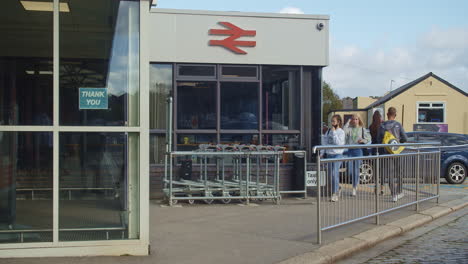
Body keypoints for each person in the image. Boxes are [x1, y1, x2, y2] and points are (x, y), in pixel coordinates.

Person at [377, 107, 408, 202]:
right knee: (399, 171)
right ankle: (399, 192)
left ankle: (393, 194)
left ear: (387, 114)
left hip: (387, 151)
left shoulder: (382, 126)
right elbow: (405, 138)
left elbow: (378, 139)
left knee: (389, 173)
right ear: (395, 115)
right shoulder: (398, 125)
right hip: (397, 151)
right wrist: (399, 142)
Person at [344, 115, 371, 196]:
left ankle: (354, 187)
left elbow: (369, 138)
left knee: (356, 170)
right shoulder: (349, 129)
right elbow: (344, 131)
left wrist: (362, 140)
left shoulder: (362, 129)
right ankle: (355, 182)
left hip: (358, 151)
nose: (355, 120)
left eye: (356, 119)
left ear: (359, 120)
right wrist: (347, 122)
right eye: (353, 119)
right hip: (350, 150)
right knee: (350, 170)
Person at [324, 115, 345, 202]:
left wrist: (334, 133)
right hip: (329, 154)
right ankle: (338, 187)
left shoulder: (341, 132)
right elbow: (325, 142)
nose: (332, 123)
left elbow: (338, 143)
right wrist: (322, 152)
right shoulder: (328, 131)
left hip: (337, 155)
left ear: (338, 122)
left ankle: (335, 193)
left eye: (334, 121)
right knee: (330, 175)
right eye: (331, 121)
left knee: (334, 173)